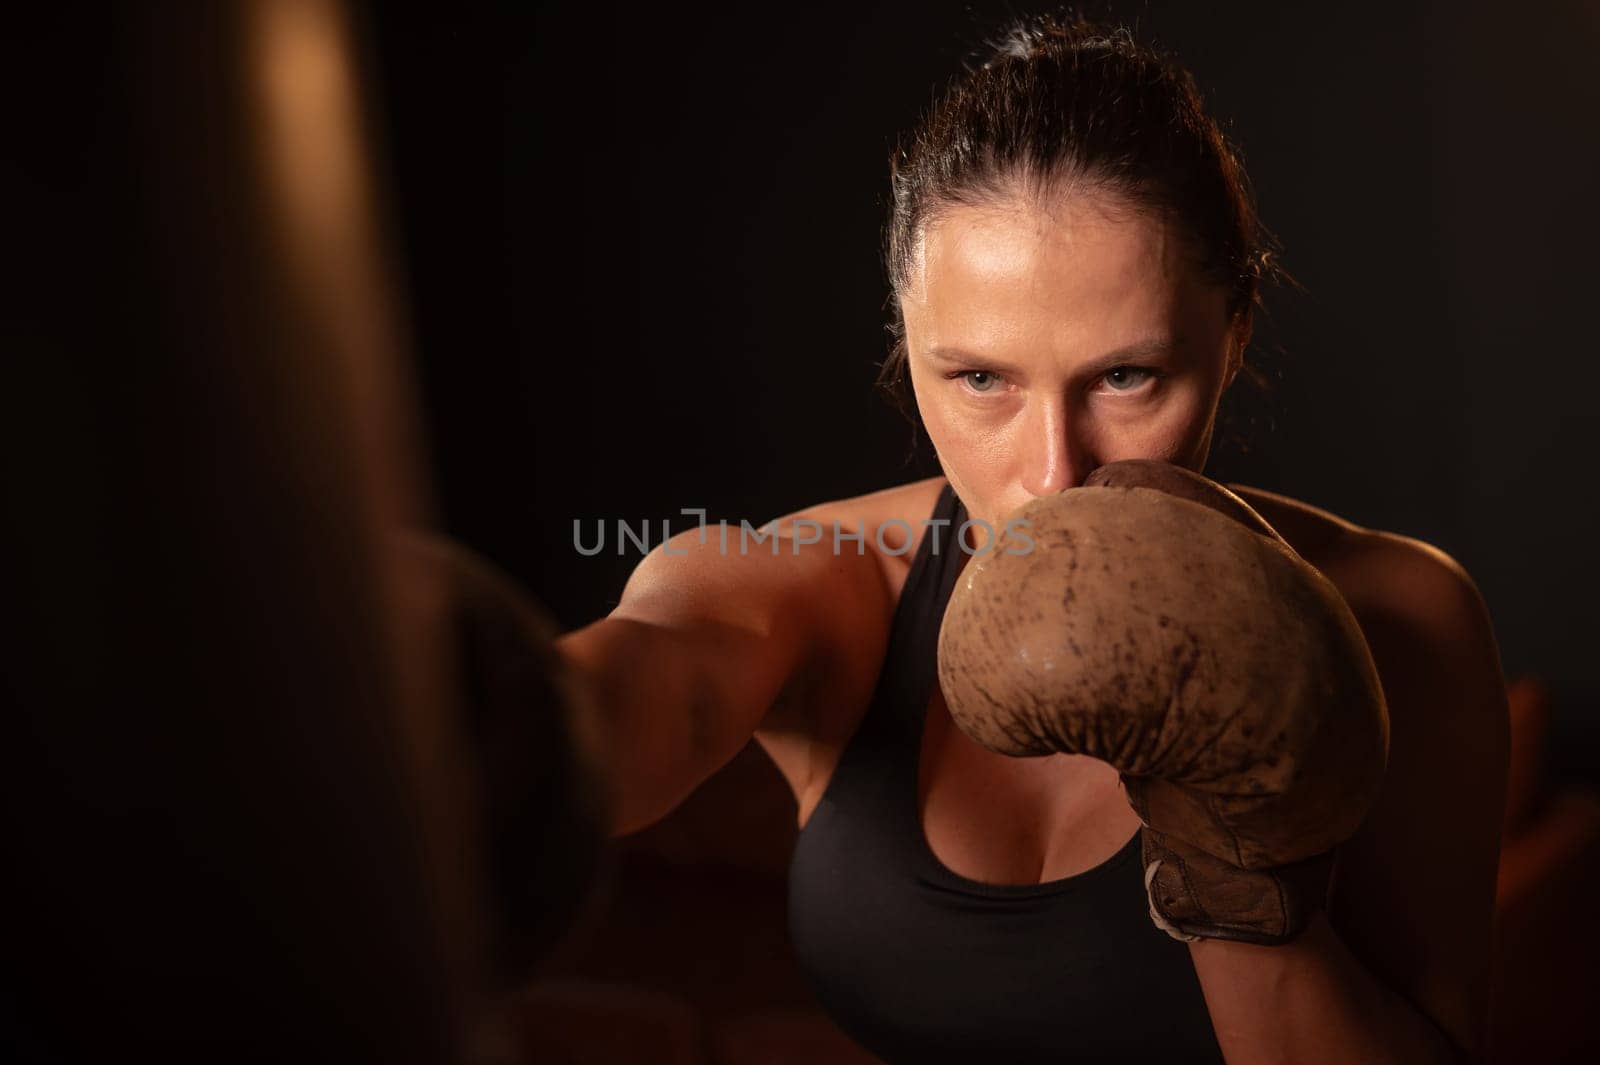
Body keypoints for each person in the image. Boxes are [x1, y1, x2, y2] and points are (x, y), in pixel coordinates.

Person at [555, 13, 1509, 1064]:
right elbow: (653, 684)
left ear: (1231, 334)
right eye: (979, 380)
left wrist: (1239, 886)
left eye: (1124, 377)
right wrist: (451, 715)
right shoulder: (831, 585)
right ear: (907, 349)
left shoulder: (1397, 618)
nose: (1054, 471)